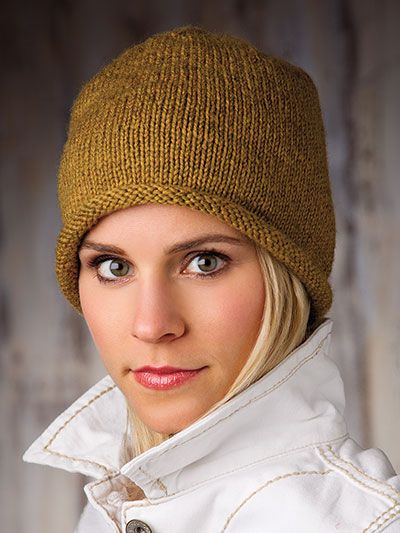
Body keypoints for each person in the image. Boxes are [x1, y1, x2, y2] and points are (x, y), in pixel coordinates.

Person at [23, 25, 400, 533]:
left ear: (288, 274)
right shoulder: (108, 509)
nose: (152, 325)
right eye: (114, 267)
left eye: (204, 262)